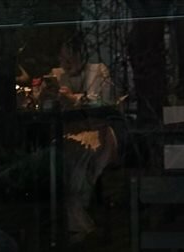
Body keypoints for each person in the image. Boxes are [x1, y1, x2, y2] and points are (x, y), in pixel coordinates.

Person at [47, 32, 119, 240]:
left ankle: (79, 221)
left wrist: (72, 98)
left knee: (80, 157)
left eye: (70, 58)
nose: (65, 63)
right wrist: (47, 96)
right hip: (68, 133)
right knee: (58, 155)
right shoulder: (57, 75)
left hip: (97, 132)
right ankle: (67, 220)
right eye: (62, 58)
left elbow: (99, 102)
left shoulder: (98, 71)